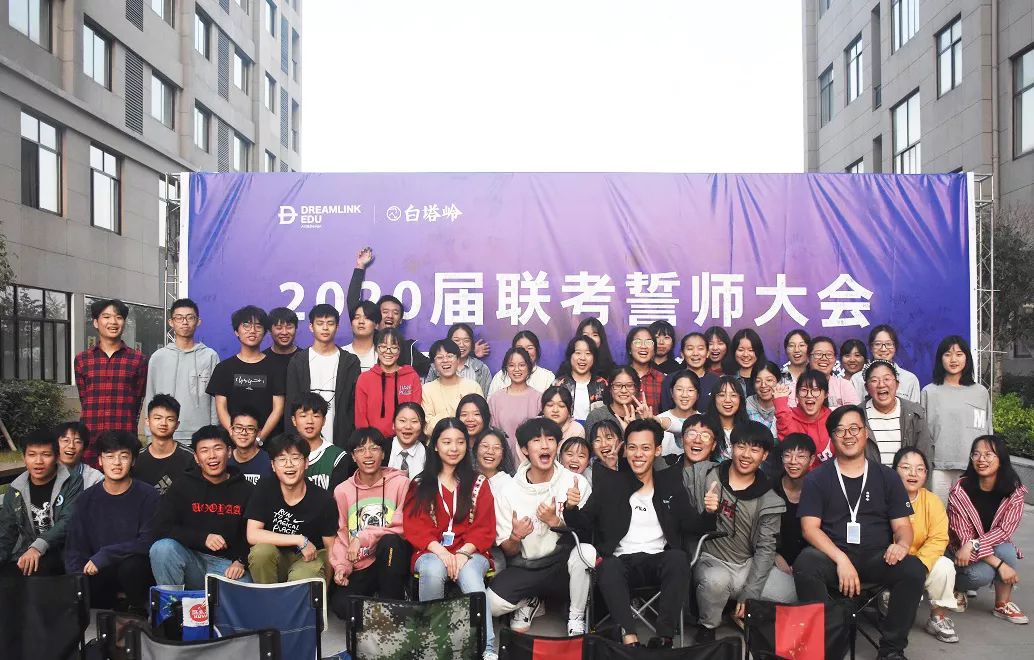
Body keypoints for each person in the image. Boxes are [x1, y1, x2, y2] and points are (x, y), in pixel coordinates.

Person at [566, 419, 715, 648]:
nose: (638, 454)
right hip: (621, 564)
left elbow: (694, 525)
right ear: (625, 450)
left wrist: (710, 512)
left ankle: (664, 639)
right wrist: (571, 508)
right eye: (632, 447)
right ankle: (630, 640)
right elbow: (582, 523)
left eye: (645, 448)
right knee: (608, 565)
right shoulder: (610, 484)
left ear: (657, 450)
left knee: (678, 558)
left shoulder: (670, 484)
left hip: (659, 562)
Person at [793, 405, 926, 660]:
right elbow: (809, 529)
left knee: (913, 569)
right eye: (840, 430)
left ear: (866, 433)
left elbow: (902, 526)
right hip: (833, 557)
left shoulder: (887, 477)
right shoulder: (817, 478)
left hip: (876, 557)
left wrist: (901, 544)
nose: (848, 435)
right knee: (806, 563)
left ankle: (891, 649)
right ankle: (827, 642)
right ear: (832, 438)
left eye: (854, 428)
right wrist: (841, 559)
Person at [488, 418, 595, 637]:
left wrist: (556, 521)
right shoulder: (508, 491)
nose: (545, 445)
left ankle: (576, 616)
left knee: (587, 552)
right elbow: (508, 550)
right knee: (491, 605)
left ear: (557, 445)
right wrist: (515, 537)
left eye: (551, 439)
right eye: (537, 440)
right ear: (524, 450)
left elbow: (587, 535)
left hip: (562, 566)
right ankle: (530, 600)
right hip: (526, 567)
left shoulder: (575, 483)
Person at [403, 419, 497, 660]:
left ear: (467, 445)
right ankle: (433, 642)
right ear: (435, 446)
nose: (454, 448)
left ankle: (486, 647)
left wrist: (462, 553)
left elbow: (484, 527)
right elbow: (415, 527)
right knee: (433, 570)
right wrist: (443, 553)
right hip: (431, 551)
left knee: (470, 574)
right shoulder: (420, 483)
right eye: (446, 442)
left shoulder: (478, 483)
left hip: (471, 551)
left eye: (460, 442)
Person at [690, 421, 792, 642]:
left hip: (746, 563)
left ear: (765, 455)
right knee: (716, 581)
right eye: (741, 446)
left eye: (755, 449)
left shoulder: (770, 498)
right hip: (711, 560)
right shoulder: (707, 475)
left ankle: (740, 612)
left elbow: (765, 549)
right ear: (731, 447)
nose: (746, 455)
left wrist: (750, 594)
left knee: (789, 593)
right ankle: (708, 625)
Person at [149, 425, 253, 589]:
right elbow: (160, 527)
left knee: (245, 587)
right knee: (162, 549)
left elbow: (253, 534)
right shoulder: (182, 485)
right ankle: (172, 603)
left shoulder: (246, 489)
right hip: (190, 560)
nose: (212, 456)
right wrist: (202, 538)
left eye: (217, 448)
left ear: (229, 452)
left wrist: (241, 561)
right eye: (204, 450)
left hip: (226, 565)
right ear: (196, 458)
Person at [64, 431, 157, 612]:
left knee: (132, 567)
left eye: (124, 456)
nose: (116, 463)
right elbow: (75, 547)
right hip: (99, 572)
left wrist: (106, 554)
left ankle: (136, 611)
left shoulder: (148, 495)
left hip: (135, 572)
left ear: (133, 461)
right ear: (100, 460)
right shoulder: (86, 499)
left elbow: (148, 542)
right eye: (109, 456)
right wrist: (77, 580)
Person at [947, 435, 1029, 624]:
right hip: (959, 551)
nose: (981, 459)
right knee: (981, 574)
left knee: (1008, 550)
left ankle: (1002, 604)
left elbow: (1004, 531)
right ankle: (956, 587)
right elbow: (963, 538)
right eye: (976, 454)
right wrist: (1001, 566)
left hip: (981, 546)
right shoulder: (960, 491)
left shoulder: (1014, 491)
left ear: (1001, 459)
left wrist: (975, 544)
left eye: (988, 454)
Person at [330, 428, 412, 611]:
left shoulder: (401, 483)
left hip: (391, 559)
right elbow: (342, 533)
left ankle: (392, 604)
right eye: (360, 450)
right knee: (342, 606)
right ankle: (377, 604)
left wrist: (362, 537)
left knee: (390, 541)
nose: (368, 454)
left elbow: (402, 526)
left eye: (374, 448)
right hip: (361, 565)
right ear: (353, 456)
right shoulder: (342, 491)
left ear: (383, 453)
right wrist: (342, 566)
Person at [246, 433, 337, 584]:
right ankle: (267, 597)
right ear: (273, 465)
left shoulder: (323, 499)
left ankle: (306, 599)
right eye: (282, 459)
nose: (289, 464)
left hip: (310, 558)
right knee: (260, 552)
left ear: (306, 462)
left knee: (302, 575)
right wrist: (299, 539)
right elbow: (252, 534)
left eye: (295, 458)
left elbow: (330, 549)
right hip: (278, 558)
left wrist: (326, 591)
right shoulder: (264, 488)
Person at [891, 447, 960, 643]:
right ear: (894, 470)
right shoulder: (884, 498)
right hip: (892, 563)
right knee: (893, 615)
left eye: (919, 469)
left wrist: (918, 566)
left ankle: (937, 617)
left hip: (922, 563)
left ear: (926, 474)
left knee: (945, 566)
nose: (913, 473)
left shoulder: (932, 501)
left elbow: (939, 538)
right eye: (906, 467)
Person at [0, 429, 83, 578]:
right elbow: (6, 533)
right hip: (29, 553)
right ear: (24, 458)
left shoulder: (72, 481)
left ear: (56, 457)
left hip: (64, 551)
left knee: (39, 571)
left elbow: (69, 520)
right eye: (32, 455)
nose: (38, 461)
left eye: (46, 454)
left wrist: (38, 546)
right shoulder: (15, 489)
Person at [74, 298, 147, 466]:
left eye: (118, 317)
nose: (113, 322)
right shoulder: (82, 359)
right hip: (91, 437)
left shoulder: (138, 360)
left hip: (124, 438)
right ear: (95, 322)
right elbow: (84, 399)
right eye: (106, 317)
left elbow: (137, 401)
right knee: (90, 481)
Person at [922, 335, 993, 502]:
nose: (953, 359)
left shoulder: (980, 392)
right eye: (947, 354)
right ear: (940, 359)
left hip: (973, 467)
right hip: (939, 468)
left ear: (967, 358)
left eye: (959, 354)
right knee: (938, 515)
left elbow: (987, 430)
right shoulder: (929, 392)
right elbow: (922, 433)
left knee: (969, 515)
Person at [347, 247, 434, 377]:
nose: (390, 316)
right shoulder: (367, 338)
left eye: (395, 313)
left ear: (400, 320)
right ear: (376, 317)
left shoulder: (406, 350)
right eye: (385, 311)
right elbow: (353, 305)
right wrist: (360, 267)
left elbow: (434, 368)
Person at [207, 305, 286, 445]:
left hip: (268, 443)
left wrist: (260, 438)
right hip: (233, 443)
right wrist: (234, 434)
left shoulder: (277, 368)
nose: (252, 331)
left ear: (265, 332)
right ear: (236, 331)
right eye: (246, 325)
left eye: (258, 326)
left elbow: (278, 408)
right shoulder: (224, 368)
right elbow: (221, 407)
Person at [286, 303, 362, 447]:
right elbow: (291, 403)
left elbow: (354, 405)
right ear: (311, 327)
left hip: (340, 438)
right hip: (303, 441)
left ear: (337, 327)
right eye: (320, 323)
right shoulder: (298, 361)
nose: (325, 328)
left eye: (330, 323)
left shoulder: (350, 362)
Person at [146, 298, 219, 445]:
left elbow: (216, 399)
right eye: (179, 318)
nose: (184, 322)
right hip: (165, 433)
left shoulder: (210, 356)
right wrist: (149, 434)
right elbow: (150, 395)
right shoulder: (158, 357)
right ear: (171, 322)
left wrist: (214, 431)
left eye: (190, 317)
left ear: (198, 321)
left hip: (201, 435)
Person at [354, 327, 422, 439]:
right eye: (383, 347)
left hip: (404, 440)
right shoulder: (364, 379)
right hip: (374, 442)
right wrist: (369, 442)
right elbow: (360, 417)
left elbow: (416, 413)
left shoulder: (411, 377)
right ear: (376, 348)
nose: (388, 351)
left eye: (394, 348)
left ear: (400, 351)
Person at [862, 360, 933, 465]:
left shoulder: (914, 413)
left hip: (906, 476)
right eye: (874, 380)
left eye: (887, 379)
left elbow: (925, 453)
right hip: (870, 475)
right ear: (866, 387)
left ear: (897, 384)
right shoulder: (858, 415)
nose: (881, 384)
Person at [770, 433, 815, 600]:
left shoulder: (818, 490)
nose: (793, 461)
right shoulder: (769, 488)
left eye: (801, 456)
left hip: (809, 562)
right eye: (787, 455)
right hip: (773, 560)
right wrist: (775, 556)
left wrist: (803, 563)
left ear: (812, 460)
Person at [133, 394, 196, 495]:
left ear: (177, 424)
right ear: (147, 421)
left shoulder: (191, 457)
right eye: (158, 418)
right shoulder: (136, 459)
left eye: (170, 419)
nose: (163, 423)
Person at [489, 347, 544, 457]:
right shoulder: (495, 399)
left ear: (529, 367)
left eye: (522, 365)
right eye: (511, 365)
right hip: (502, 459)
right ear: (506, 368)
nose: (517, 369)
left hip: (530, 459)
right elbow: (492, 434)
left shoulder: (539, 398)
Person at [290, 393, 348, 491]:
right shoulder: (284, 455)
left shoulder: (337, 457)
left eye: (316, 416)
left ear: (324, 420)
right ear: (294, 420)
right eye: (303, 416)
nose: (310, 421)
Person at [422, 339, 483, 433]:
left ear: (458, 360)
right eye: (440, 357)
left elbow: (481, 421)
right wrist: (455, 413)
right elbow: (428, 429)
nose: (445, 360)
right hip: (437, 442)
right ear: (433, 364)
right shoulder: (427, 390)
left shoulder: (472, 387)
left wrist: (441, 418)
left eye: (450, 356)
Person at [774, 371, 834, 467]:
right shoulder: (788, 416)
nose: (809, 395)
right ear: (797, 394)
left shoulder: (834, 418)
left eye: (815, 390)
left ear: (826, 394)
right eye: (804, 390)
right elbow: (787, 444)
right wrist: (780, 403)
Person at [850, 325, 921, 403]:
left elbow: (915, 409)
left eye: (889, 344)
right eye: (877, 344)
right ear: (871, 347)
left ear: (895, 347)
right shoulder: (857, 379)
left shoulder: (909, 379)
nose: (883, 349)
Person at [553, 335, 609, 423]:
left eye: (588, 353)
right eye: (578, 353)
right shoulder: (559, 384)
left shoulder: (602, 384)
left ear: (594, 358)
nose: (582, 358)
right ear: (570, 356)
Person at [425, 323, 493, 395]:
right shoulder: (436, 367)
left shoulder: (481, 368)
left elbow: (485, 398)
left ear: (472, 343)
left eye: (466, 340)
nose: (461, 344)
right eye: (457, 340)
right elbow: (428, 394)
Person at [584, 367, 650, 437]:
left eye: (629, 385)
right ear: (610, 388)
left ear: (636, 389)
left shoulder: (642, 417)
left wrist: (647, 422)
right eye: (618, 385)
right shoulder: (596, 416)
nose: (623, 391)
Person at [661, 332, 718, 412]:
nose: (695, 353)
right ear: (682, 354)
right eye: (690, 349)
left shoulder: (716, 381)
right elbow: (666, 411)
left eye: (700, 348)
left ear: (708, 353)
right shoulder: (671, 379)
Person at [488, 331, 556, 395]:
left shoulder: (547, 377)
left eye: (530, 348)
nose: (525, 352)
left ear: (537, 350)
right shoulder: (500, 376)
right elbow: (491, 401)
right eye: (520, 348)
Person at [656, 370, 700, 460]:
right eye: (679, 389)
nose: (684, 395)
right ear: (671, 392)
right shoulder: (658, 420)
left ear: (698, 394)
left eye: (690, 390)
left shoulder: (704, 422)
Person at [705, 376, 750, 461]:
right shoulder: (704, 428)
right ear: (714, 399)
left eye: (733, 395)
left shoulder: (749, 429)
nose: (727, 400)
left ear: (740, 399)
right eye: (722, 395)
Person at [809, 336, 859, 408]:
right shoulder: (797, 386)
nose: (824, 358)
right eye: (818, 354)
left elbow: (854, 413)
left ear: (835, 359)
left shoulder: (844, 385)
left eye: (829, 354)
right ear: (808, 357)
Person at [227, 408, 273, 485]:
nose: (244, 433)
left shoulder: (269, 462)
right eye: (238, 427)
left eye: (250, 429)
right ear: (231, 430)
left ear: (258, 433)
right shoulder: (224, 461)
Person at [625, 326, 665, 412]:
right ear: (629, 349)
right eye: (637, 342)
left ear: (654, 350)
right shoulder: (619, 376)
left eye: (648, 342)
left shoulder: (662, 379)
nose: (643, 346)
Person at [55, 421, 103, 489]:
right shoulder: (44, 471)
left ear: (84, 447)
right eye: (66, 440)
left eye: (77, 442)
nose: (71, 446)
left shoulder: (95, 478)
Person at [386, 402, 428, 479]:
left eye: (414, 421)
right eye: (402, 421)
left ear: (423, 426)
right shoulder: (382, 449)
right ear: (393, 424)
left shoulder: (429, 454)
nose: (408, 426)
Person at [722, 329, 766, 398]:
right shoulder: (724, 379)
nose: (745, 354)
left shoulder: (768, 377)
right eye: (741, 350)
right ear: (733, 351)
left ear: (759, 351)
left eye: (751, 350)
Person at [343, 301, 380, 372]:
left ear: (376, 325)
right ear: (351, 323)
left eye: (367, 318)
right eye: (357, 317)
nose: (361, 322)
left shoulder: (383, 355)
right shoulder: (341, 354)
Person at [264, 306, 302, 377]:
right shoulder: (262, 359)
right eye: (279, 328)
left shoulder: (305, 358)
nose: (284, 332)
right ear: (269, 330)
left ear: (296, 328)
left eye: (289, 327)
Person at [745, 362, 781, 437]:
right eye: (758, 381)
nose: (763, 385)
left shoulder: (786, 404)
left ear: (778, 381)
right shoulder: (748, 403)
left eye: (769, 380)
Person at [780, 329, 811, 406]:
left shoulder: (816, 373)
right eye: (791, 346)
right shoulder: (779, 375)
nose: (796, 350)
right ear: (786, 350)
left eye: (801, 345)